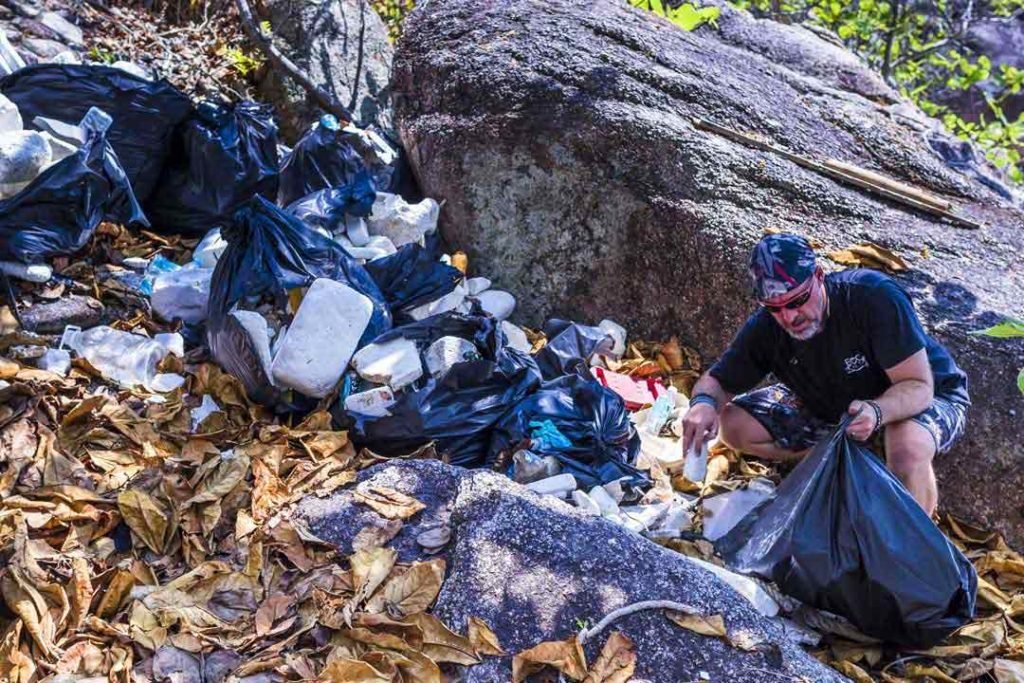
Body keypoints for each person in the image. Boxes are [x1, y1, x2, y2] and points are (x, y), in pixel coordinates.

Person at [680, 233, 969, 516]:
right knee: (733, 424)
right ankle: (838, 464)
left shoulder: (872, 297)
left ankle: (911, 547)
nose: (790, 317)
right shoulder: (767, 328)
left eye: (797, 301)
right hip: (833, 404)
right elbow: (717, 381)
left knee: (907, 446)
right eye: (775, 308)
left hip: (920, 394)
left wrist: (878, 411)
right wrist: (703, 404)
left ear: (819, 275)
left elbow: (918, 386)